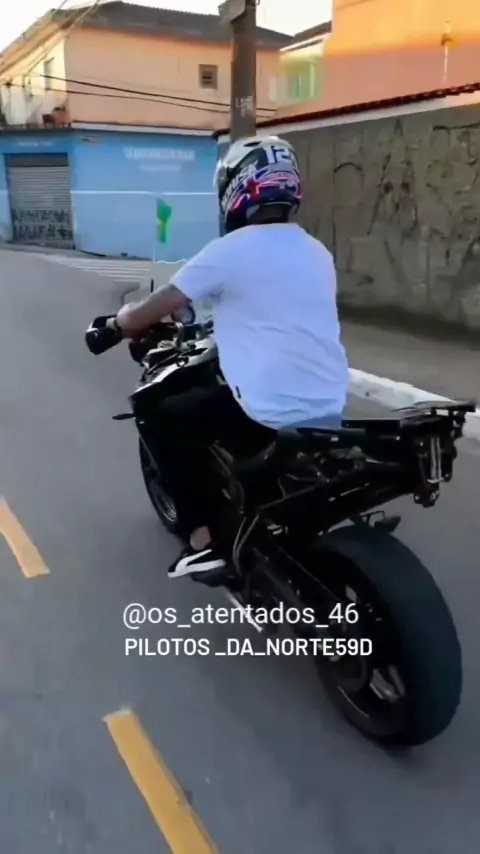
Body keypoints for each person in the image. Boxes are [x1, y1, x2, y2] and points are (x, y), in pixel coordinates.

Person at [110, 134, 349, 580]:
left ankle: (203, 541)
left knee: (163, 419)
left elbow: (154, 307)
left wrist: (118, 323)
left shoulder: (229, 251)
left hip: (265, 409)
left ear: (236, 187)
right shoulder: (316, 251)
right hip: (329, 403)